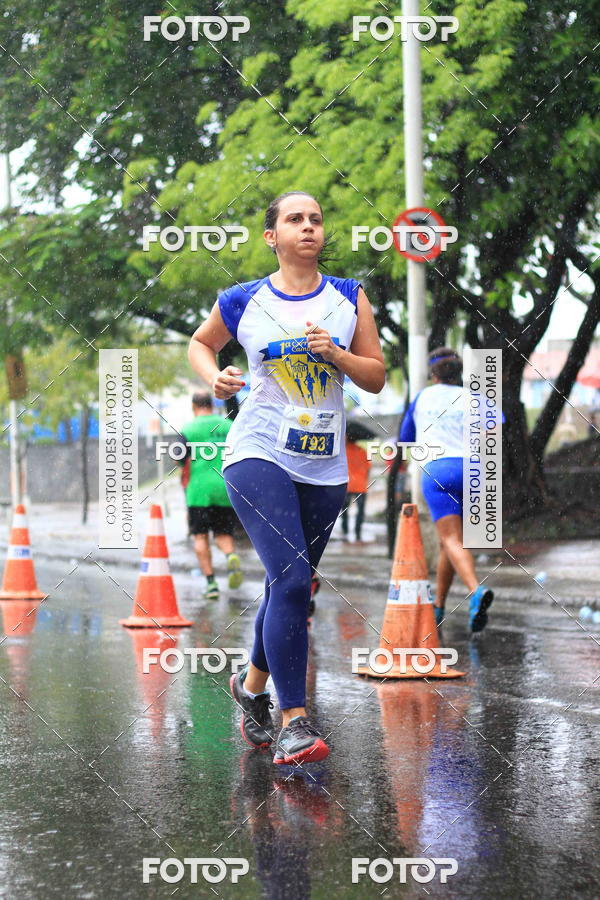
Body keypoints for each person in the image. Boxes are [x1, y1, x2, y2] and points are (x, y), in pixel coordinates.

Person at [187, 191, 385, 765]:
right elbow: (202, 343)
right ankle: (292, 718)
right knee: (295, 580)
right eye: (294, 220)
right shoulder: (243, 299)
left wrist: (338, 357)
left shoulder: (349, 298)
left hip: (324, 466)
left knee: (288, 584)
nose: (307, 227)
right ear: (272, 235)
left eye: (315, 220)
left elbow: (374, 376)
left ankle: (248, 689)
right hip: (257, 452)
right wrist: (217, 377)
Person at [399, 348, 495, 633]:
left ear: (433, 373)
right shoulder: (473, 397)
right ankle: (438, 606)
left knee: (452, 539)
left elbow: (405, 438)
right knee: (449, 542)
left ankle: (475, 591)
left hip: (438, 471)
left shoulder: (423, 398)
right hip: (472, 470)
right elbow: (492, 429)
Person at [178, 391, 243, 600]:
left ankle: (211, 584)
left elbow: (179, 459)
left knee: (201, 536)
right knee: (224, 534)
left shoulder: (188, 429)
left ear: (193, 406)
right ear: (212, 405)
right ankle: (231, 556)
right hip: (225, 487)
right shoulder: (228, 425)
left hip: (199, 491)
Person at [340, 437, 371, 542]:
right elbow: (368, 468)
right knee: (360, 511)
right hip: (361, 486)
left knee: (344, 510)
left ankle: (345, 531)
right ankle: (358, 533)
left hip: (347, 485)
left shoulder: (343, 451)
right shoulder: (363, 451)